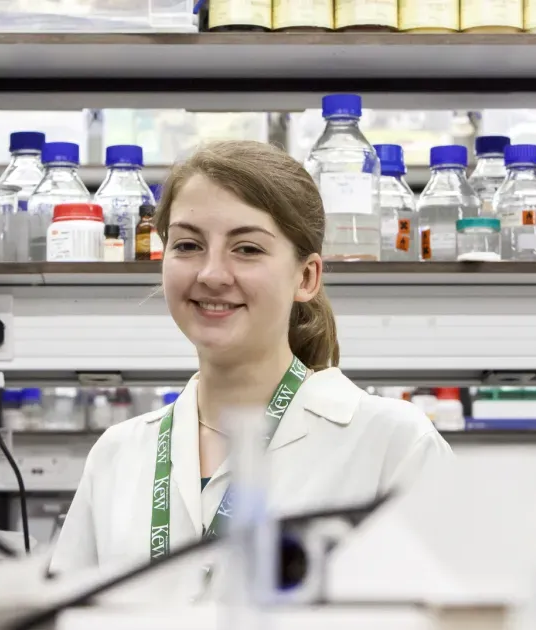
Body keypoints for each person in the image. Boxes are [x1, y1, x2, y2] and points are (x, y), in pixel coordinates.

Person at [49, 140, 452, 578]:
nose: (212, 274)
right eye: (188, 245)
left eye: (247, 249)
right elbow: (59, 607)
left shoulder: (393, 445)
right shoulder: (118, 454)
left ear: (307, 277)